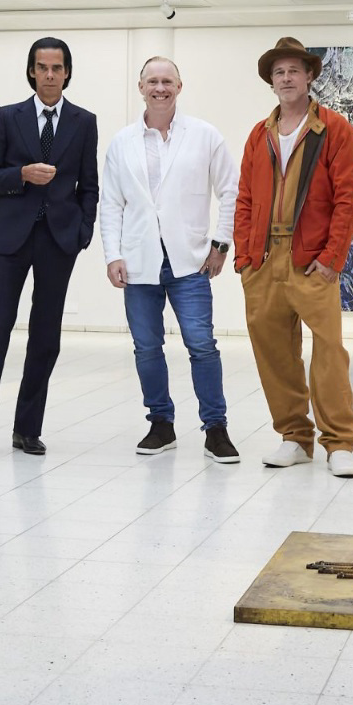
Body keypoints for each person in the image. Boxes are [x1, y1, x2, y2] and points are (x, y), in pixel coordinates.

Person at [0, 38, 98, 458]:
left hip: (58, 241)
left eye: (57, 68)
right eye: (42, 67)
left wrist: (82, 232)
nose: (50, 75)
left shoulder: (84, 121)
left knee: (45, 336)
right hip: (9, 239)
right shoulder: (8, 117)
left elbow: (89, 186)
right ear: (31, 71)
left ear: (67, 72)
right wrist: (21, 174)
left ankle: (27, 429)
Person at [235, 37, 353, 477]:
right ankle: (294, 437)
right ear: (271, 82)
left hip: (312, 261)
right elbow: (245, 198)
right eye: (279, 73)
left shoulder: (334, 129)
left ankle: (339, 443)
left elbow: (349, 198)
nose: (286, 78)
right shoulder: (260, 134)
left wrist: (332, 258)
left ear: (309, 76)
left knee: (328, 350)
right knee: (273, 351)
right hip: (263, 259)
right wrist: (245, 257)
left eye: (293, 71)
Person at [101, 57, 239, 462]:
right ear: (140, 87)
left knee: (202, 346)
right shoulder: (122, 142)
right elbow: (110, 203)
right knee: (146, 348)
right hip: (139, 262)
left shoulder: (204, 135)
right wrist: (113, 254)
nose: (160, 88)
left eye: (167, 81)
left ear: (180, 86)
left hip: (190, 261)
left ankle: (216, 428)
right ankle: (160, 423)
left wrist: (221, 243)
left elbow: (230, 191)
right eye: (152, 81)